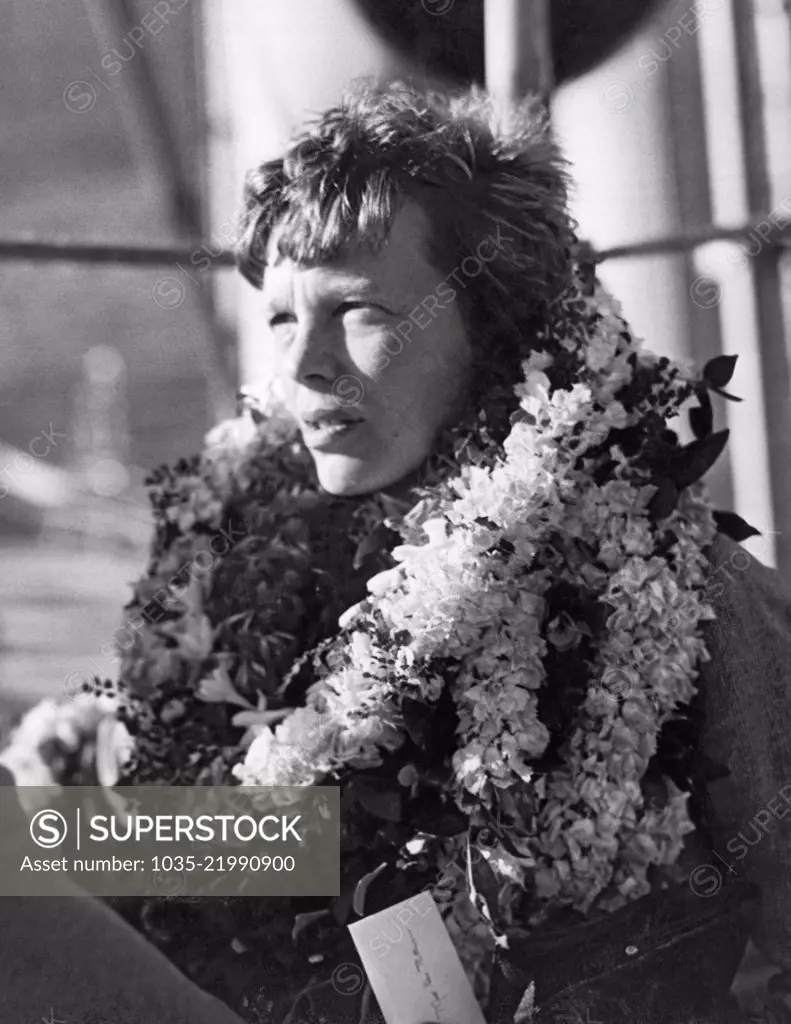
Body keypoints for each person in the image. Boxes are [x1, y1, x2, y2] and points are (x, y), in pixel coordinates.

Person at [2, 78, 791, 1024]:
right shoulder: (283, 564)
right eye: (284, 319)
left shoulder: (672, 592)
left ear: (497, 327)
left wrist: (45, 847)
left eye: (360, 311)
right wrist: (55, 835)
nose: (302, 367)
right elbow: (293, 841)